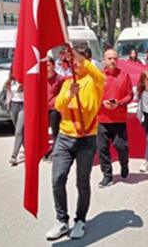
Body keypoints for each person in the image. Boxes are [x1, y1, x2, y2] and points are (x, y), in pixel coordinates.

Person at [47, 45, 105, 240]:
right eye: (73, 61)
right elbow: (58, 105)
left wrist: (81, 58)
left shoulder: (95, 81)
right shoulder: (68, 82)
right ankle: (61, 220)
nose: (75, 64)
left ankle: (80, 220)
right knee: (57, 179)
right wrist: (68, 94)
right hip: (65, 137)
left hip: (86, 140)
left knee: (82, 182)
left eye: (79, 60)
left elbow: (98, 75)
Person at [97, 48, 134, 188]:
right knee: (102, 149)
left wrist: (119, 103)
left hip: (119, 119)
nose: (112, 61)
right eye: (109, 58)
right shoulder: (99, 77)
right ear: (104, 60)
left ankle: (124, 164)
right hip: (102, 119)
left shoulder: (124, 75)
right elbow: (93, 95)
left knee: (121, 146)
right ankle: (107, 175)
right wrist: (102, 103)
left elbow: (130, 95)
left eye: (114, 58)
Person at [44, 57, 64, 161]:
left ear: (53, 66)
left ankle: (55, 152)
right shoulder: (41, 78)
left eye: (48, 65)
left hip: (54, 108)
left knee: (55, 130)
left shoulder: (58, 78)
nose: (46, 68)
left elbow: (64, 91)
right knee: (43, 132)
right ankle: (46, 151)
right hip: (43, 109)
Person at [5, 73, 24, 166]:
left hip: (23, 106)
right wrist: (8, 104)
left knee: (18, 131)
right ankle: (28, 150)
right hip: (14, 105)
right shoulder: (11, 81)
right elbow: (8, 93)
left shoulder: (25, 80)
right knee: (20, 131)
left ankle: (14, 155)